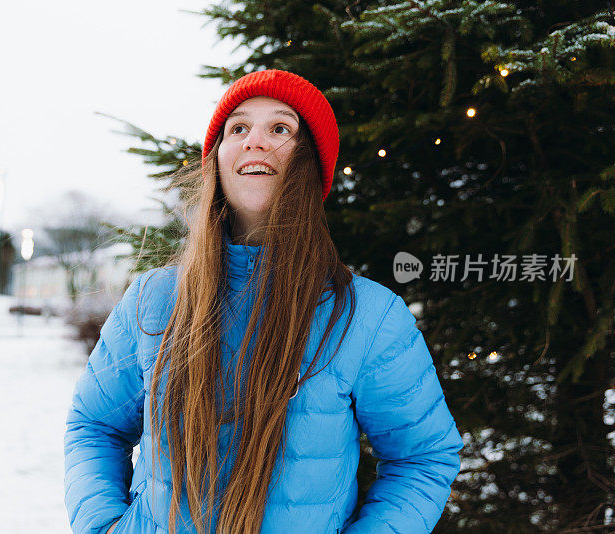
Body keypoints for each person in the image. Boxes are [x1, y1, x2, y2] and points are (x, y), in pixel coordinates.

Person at [64, 69, 464, 534]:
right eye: (238, 128)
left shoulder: (368, 316)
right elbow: (95, 427)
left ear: (310, 162)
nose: (254, 140)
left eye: (280, 128)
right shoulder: (152, 300)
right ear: (217, 161)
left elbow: (423, 458)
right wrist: (103, 527)